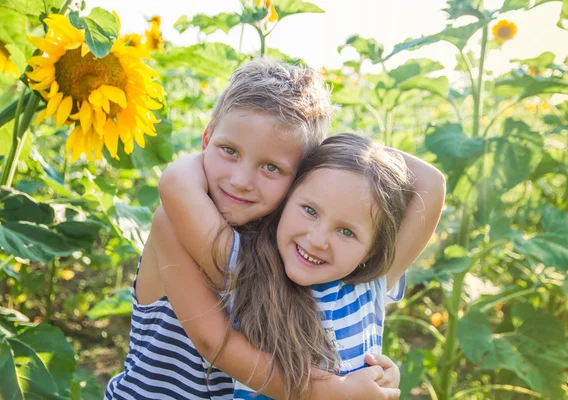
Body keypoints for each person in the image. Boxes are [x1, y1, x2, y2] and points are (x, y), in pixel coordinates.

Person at [105, 59, 401, 399]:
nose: (241, 181)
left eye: (272, 167)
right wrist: (331, 391)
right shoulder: (173, 221)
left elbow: (428, 183)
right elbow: (211, 340)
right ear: (206, 139)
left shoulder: (293, 240)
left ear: (300, 178)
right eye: (229, 150)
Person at [156, 133, 446, 399]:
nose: (318, 240)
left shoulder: (370, 286)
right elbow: (175, 183)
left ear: (371, 250)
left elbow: (431, 183)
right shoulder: (249, 267)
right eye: (309, 211)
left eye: (346, 232)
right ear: (284, 201)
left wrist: (348, 153)